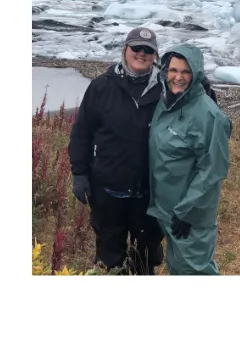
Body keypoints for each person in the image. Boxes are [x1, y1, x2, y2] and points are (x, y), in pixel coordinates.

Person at [68, 27, 166, 274]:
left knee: (146, 257)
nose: (141, 54)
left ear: (155, 55)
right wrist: (79, 174)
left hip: (150, 192)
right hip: (108, 190)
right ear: (125, 50)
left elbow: (196, 111)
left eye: (148, 50)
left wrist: (201, 84)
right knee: (110, 259)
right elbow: (82, 133)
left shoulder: (166, 90)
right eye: (136, 48)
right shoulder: (102, 86)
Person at [147, 45, 231, 275]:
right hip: (168, 210)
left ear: (196, 74)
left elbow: (213, 170)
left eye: (186, 71)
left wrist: (187, 212)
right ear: (165, 71)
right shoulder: (168, 103)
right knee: (177, 267)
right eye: (173, 70)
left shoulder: (208, 114)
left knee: (195, 271)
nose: (178, 77)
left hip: (189, 215)